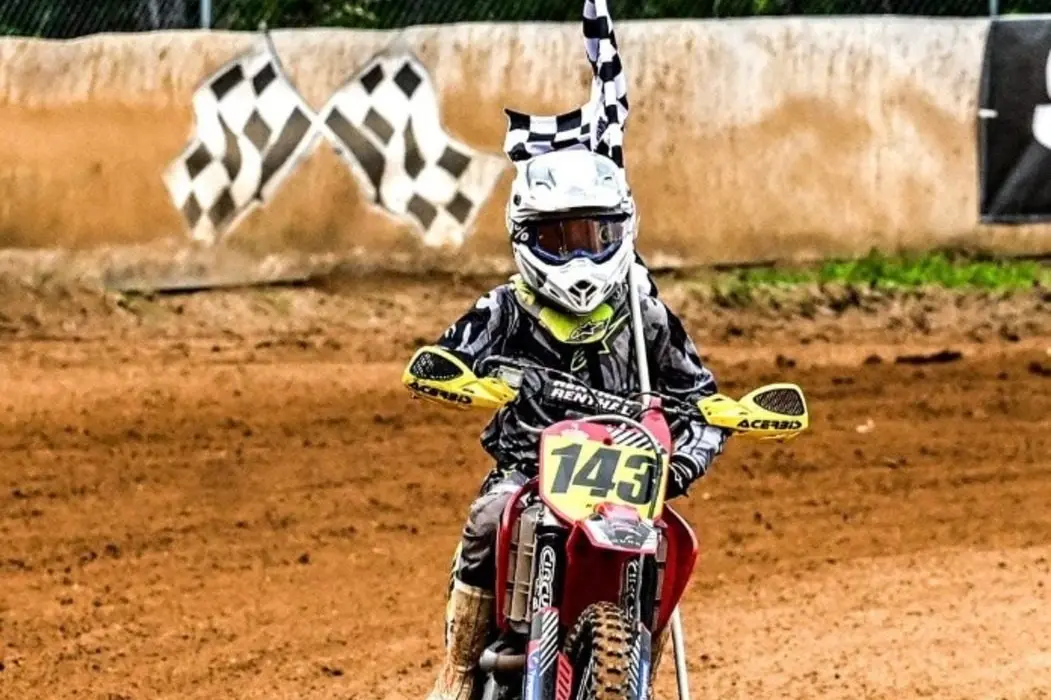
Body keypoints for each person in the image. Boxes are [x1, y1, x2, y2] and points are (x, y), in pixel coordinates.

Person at [402, 147, 731, 700]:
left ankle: (635, 673)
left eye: (596, 237)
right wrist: (461, 377)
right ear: (525, 238)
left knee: (668, 541)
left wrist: (688, 458)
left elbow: (702, 398)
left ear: (622, 232)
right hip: (529, 474)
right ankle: (459, 672)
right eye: (560, 240)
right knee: (489, 516)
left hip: (626, 480)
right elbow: (446, 356)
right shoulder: (505, 308)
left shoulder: (645, 315)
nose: (581, 256)